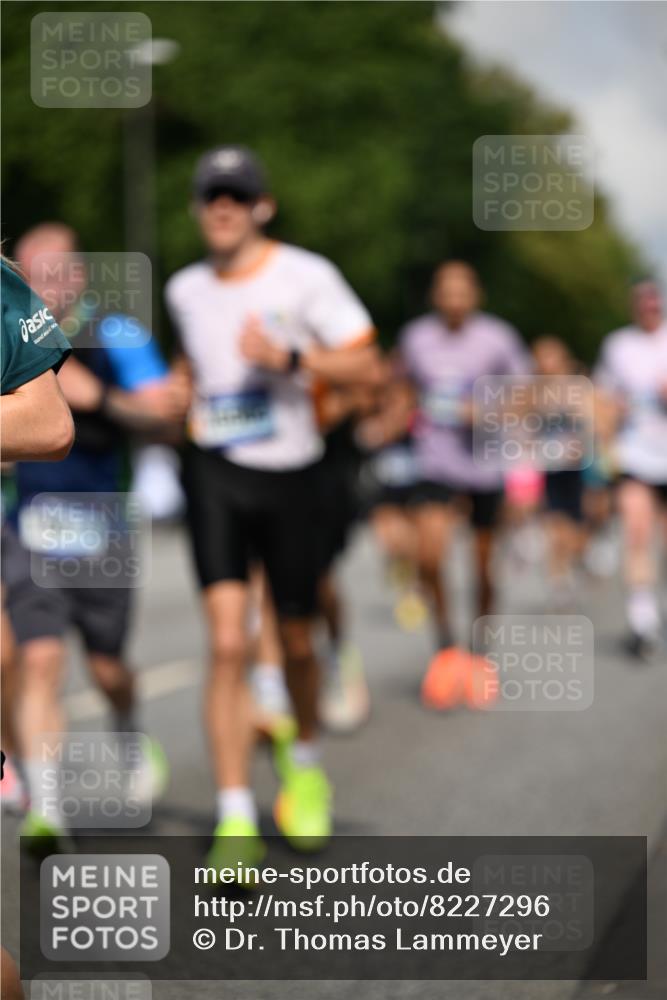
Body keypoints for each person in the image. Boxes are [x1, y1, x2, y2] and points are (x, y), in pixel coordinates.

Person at [166, 145, 378, 870]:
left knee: (293, 641)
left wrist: (290, 359)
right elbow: (195, 373)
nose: (221, 207)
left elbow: (364, 362)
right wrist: (176, 393)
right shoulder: (184, 289)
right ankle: (233, 817)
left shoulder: (306, 276)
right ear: (197, 208)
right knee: (227, 642)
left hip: (294, 476)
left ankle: (307, 760)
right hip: (215, 473)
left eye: (236, 195)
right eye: (210, 196)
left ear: (262, 207)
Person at [3, 225, 189, 847]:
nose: (48, 283)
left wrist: (99, 398)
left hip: (103, 524)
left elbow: (166, 412)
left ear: (80, 275)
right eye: (36, 271)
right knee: (40, 659)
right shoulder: (11, 338)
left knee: (108, 667)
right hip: (31, 524)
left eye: (59, 269)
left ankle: (128, 729)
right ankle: (47, 809)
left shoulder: (115, 334)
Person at [398, 260, 529, 709]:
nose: (454, 299)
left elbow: (526, 395)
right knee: (429, 555)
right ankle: (446, 646)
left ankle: (480, 650)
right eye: (445, 291)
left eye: (462, 291)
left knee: (481, 564)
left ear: (476, 295)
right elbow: (401, 387)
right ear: (435, 296)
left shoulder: (498, 338)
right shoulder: (415, 338)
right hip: (434, 461)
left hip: (484, 465)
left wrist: (487, 411)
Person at [1, 251, 73, 1000]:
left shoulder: (113, 330)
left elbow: (49, 421)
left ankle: (46, 793)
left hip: (77, 523)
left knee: (39, 658)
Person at [594, 280, 667, 661]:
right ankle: (642, 621)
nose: (650, 308)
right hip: (635, 454)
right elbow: (601, 396)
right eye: (643, 302)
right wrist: (610, 417)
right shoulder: (618, 345)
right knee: (636, 532)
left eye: (656, 303)